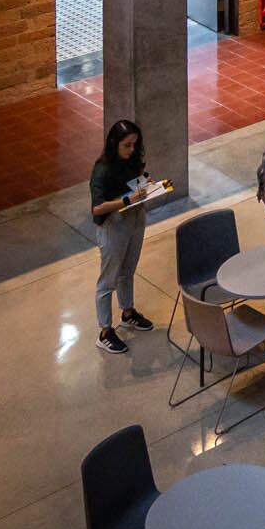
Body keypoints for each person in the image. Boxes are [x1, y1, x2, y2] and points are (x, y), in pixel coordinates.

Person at [88, 119, 153, 354]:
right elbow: (97, 208)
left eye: (135, 144)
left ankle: (128, 312)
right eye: (127, 145)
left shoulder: (133, 159)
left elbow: (136, 180)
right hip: (113, 226)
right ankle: (105, 331)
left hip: (135, 220)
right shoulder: (102, 169)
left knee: (128, 270)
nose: (132, 149)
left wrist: (146, 184)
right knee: (108, 280)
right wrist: (126, 200)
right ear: (114, 144)